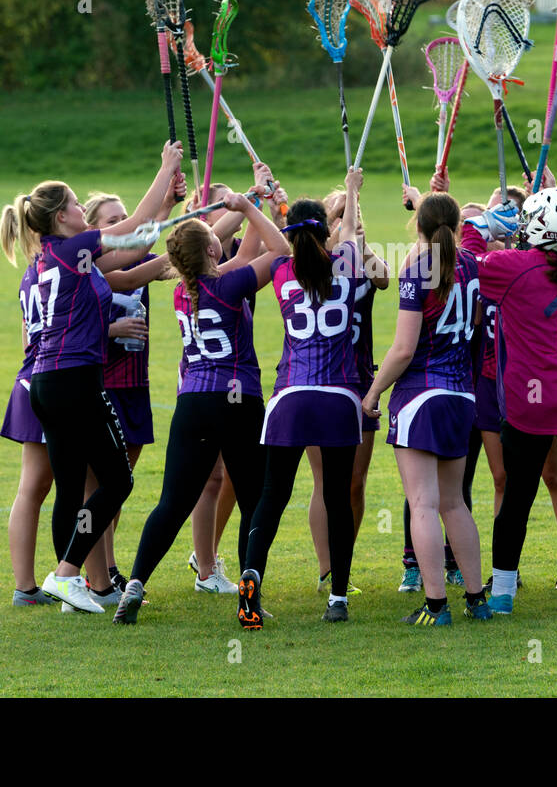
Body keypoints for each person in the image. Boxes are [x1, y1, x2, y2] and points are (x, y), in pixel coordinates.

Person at [8, 140, 182, 613]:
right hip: (75, 380)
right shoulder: (74, 248)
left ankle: (73, 584)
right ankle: (67, 574)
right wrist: (165, 168)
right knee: (118, 482)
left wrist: (168, 201)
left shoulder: (45, 259)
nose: (81, 211)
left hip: (44, 383)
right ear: (62, 217)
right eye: (75, 206)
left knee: (70, 487)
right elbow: (130, 230)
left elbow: (132, 248)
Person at [112, 186, 290, 624]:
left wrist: (252, 203)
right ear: (212, 247)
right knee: (253, 499)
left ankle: (134, 584)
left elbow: (234, 258)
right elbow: (280, 250)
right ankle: (249, 599)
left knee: (171, 502)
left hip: (192, 401)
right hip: (238, 400)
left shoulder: (182, 290)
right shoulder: (230, 284)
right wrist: (251, 208)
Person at [462, 184, 557, 619]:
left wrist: (487, 222)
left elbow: (465, 256)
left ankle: (504, 592)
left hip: (533, 401)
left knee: (517, 498)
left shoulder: (511, 266)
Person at [237, 167, 366, 629]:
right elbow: (349, 230)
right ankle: (337, 598)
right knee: (336, 498)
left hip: (289, 397)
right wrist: (351, 191)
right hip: (338, 399)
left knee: (271, 498)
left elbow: (282, 238)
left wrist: (264, 203)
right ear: (326, 233)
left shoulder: (280, 268)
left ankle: (250, 584)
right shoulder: (348, 262)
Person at [363, 191, 492, 625]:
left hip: (420, 396)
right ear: (457, 227)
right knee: (455, 504)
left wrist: (374, 392)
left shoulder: (416, 268)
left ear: (418, 228)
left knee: (422, 503)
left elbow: (403, 350)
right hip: (461, 396)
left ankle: (436, 605)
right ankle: (476, 600)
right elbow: (475, 327)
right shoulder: (473, 265)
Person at [309, 187, 390, 596]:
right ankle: (327, 571)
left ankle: (344, 562)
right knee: (326, 481)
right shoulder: (315, 262)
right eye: (340, 214)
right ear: (326, 223)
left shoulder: (364, 256)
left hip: (360, 381)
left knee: (355, 481)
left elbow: (385, 280)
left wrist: (362, 246)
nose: (350, 219)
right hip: (321, 379)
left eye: (354, 212)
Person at [0, 216, 56, 607]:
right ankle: (81, 579)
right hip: (49, 382)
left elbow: (26, 338)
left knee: (32, 488)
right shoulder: (56, 268)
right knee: (39, 487)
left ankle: (26, 586)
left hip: (30, 377)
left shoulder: (29, 273)